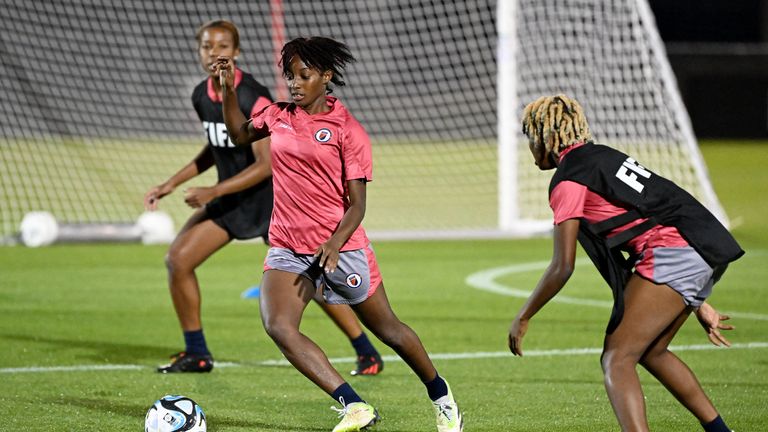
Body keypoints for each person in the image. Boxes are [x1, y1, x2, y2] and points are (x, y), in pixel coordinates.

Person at [214, 36, 463, 432]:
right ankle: (355, 406)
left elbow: (358, 205)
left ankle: (441, 394)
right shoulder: (278, 115)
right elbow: (238, 135)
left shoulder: (348, 131)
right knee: (278, 325)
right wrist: (228, 90)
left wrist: (333, 241)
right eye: (290, 76)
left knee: (389, 331)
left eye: (304, 75)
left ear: (326, 76)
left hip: (340, 248)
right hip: (288, 247)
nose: (294, 83)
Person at [144, 20, 383, 377]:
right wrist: (172, 182)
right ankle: (197, 352)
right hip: (231, 199)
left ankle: (365, 349)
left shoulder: (253, 95)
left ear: (237, 52)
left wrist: (212, 191)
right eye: (207, 47)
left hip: (270, 202)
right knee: (178, 260)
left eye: (222, 46)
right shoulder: (200, 94)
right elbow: (216, 146)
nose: (214, 53)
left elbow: (265, 163)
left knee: (313, 281)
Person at [508, 94, 744, 432]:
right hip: (702, 244)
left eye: (531, 138)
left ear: (546, 138)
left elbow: (563, 266)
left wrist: (523, 315)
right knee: (651, 352)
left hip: (675, 251)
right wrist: (697, 300)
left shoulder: (569, 179)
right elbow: (654, 213)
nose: (530, 147)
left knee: (616, 358)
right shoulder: (603, 157)